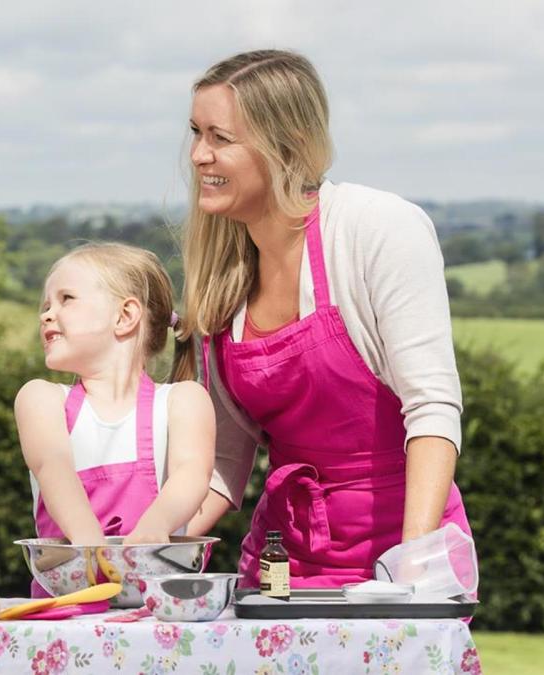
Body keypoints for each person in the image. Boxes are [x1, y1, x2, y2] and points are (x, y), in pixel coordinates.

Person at [175, 50, 473, 589]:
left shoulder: (379, 229)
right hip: (283, 562)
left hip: (404, 549)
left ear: (283, 144)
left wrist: (407, 576)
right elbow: (223, 461)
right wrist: (150, 553)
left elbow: (432, 409)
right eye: (196, 133)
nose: (198, 154)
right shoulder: (220, 279)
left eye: (220, 137)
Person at [15, 243, 215, 594]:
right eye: (46, 305)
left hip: (160, 616)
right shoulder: (41, 399)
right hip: (67, 615)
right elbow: (54, 467)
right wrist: (92, 548)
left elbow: (192, 474)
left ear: (125, 316)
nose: (46, 314)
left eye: (66, 299)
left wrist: (155, 527)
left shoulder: (183, 401)